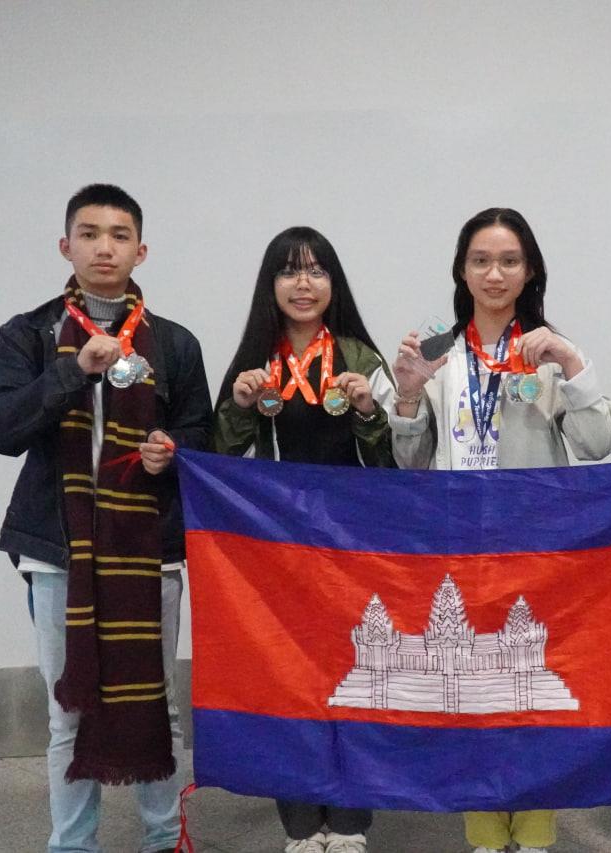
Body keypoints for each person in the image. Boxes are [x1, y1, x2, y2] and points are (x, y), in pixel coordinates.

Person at [0, 183, 212, 853]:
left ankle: (164, 838)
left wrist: (172, 450)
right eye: (89, 233)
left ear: (141, 250)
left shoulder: (173, 343)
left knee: (158, 702)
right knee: (68, 710)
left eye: (118, 235)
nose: (103, 247)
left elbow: (202, 430)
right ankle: (73, 844)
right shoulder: (29, 333)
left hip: (148, 547)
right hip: (60, 551)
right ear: (66, 246)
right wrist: (71, 372)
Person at [387, 207, 611, 853]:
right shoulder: (434, 352)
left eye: (509, 261)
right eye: (481, 261)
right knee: (467, 695)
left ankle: (536, 834)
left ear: (530, 271)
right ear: (461, 271)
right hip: (455, 545)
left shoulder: (547, 353)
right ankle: (485, 837)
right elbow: (409, 462)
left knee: (531, 692)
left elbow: (597, 444)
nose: (495, 274)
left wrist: (573, 365)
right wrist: (407, 397)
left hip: (535, 547)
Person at [212, 226, 395, 853]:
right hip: (275, 553)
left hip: (353, 548)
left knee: (358, 676)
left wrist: (369, 411)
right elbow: (219, 466)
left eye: (317, 270)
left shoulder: (361, 359)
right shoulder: (253, 364)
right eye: (289, 271)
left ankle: (349, 823)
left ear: (333, 283)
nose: (303, 283)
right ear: (271, 285)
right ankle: (299, 825)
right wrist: (239, 407)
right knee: (285, 682)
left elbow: (397, 464)